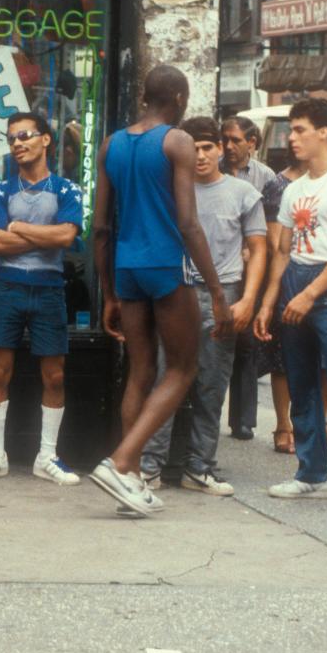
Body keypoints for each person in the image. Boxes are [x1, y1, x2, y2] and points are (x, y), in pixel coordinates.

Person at [90, 64, 231, 517]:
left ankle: (130, 483)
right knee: (183, 369)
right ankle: (122, 462)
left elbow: (99, 228)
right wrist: (218, 291)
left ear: (144, 96)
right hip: (166, 265)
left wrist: (109, 293)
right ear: (180, 98)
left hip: (126, 266)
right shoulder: (177, 140)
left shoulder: (112, 143)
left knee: (141, 371)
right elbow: (188, 223)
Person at [139, 117, 267, 496]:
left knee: (212, 385)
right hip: (175, 291)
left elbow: (259, 249)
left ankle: (199, 467)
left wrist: (247, 298)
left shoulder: (243, 193)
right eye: (193, 148)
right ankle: (149, 467)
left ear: (220, 149)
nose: (200, 155)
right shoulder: (171, 191)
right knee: (166, 380)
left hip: (223, 296)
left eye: (208, 147)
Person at [0, 112, 83, 486]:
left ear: (46, 140)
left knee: (55, 374)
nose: (17, 143)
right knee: (0, 369)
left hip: (49, 288)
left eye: (25, 136)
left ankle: (47, 455)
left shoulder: (67, 190)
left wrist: (16, 227)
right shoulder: (1, 190)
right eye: (12, 138)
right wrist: (43, 233)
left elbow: (67, 238)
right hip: (8, 287)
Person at [254, 98, 327, 498]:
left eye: (299, 130)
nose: (291, 138)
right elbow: (282, 251)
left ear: (323, 132)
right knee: (302, 383)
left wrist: (310, 294)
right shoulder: (293, 190)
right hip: (294, 282)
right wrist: (268, 302)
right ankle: (312, 473)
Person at [221, 116, 277, 441]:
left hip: (248, 268)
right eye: (225, 139)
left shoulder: (265, 178)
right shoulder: (210, 167)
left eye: (236, 140)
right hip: (216, 265)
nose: (229, 146)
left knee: (245, 345)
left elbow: (268, 233)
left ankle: (243, 420)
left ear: (252, 143)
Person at [258, 144, 305, 454]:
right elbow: (276, 244)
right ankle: (283, 425)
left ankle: (310, 424)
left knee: (325, 361)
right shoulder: (279, 185)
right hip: (288, 276)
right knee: (283, 356)